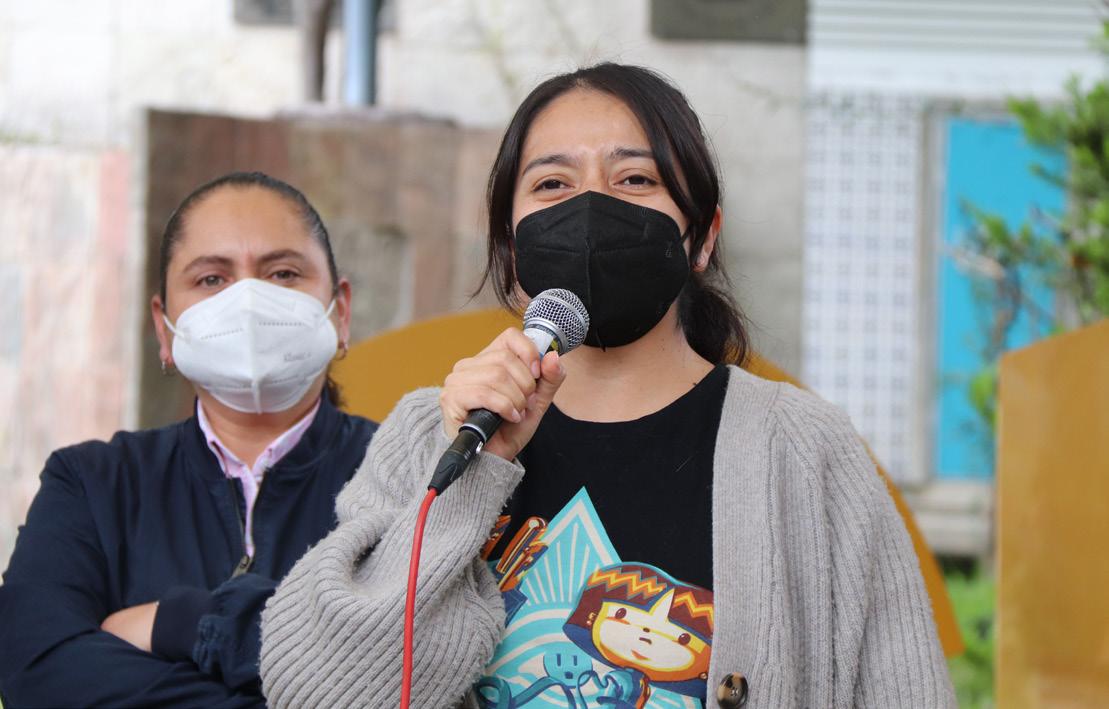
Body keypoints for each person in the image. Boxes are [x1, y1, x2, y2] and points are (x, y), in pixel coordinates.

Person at [259, 65, 955, 708]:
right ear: (510, 244)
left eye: (634, 179)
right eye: (552, 185)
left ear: (701, 237)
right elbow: (317, 693)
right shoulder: (433, 432)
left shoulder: (802, 447)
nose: (591, 206)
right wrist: (473, 472)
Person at [0, 172, 378, 707]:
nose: (248, 300)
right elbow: (36, 670)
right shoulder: (92, 485)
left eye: (283, 273)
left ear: (340, 311)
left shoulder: (408, 479)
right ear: (164, 328)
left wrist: (183, 623)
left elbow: (417, 663)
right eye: (211, 279)